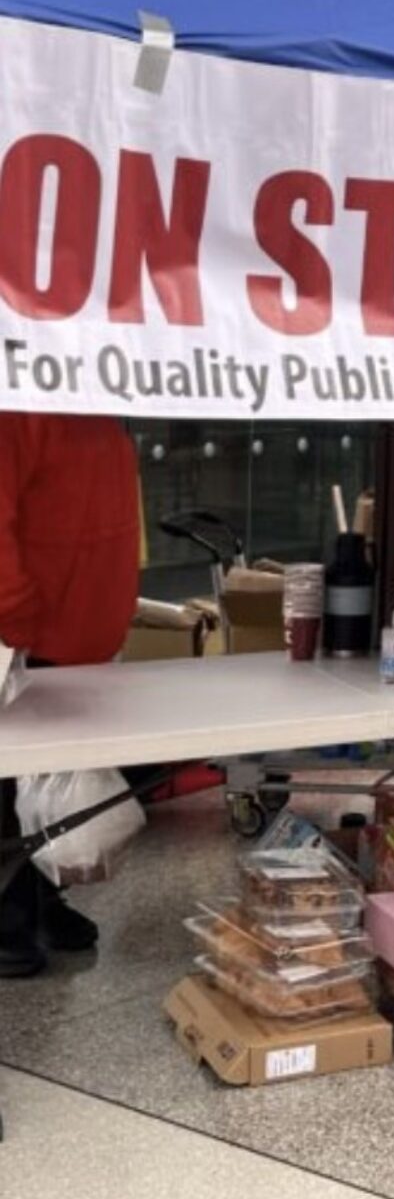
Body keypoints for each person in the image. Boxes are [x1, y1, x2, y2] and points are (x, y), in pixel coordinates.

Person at [0, 413, 141, 978]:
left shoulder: (88, 389)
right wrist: (15, 620)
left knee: (48, 787)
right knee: (10, 779)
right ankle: (8, 908)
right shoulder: (15, 394)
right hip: (25, 638)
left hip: (76, 636)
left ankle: (37, 897)